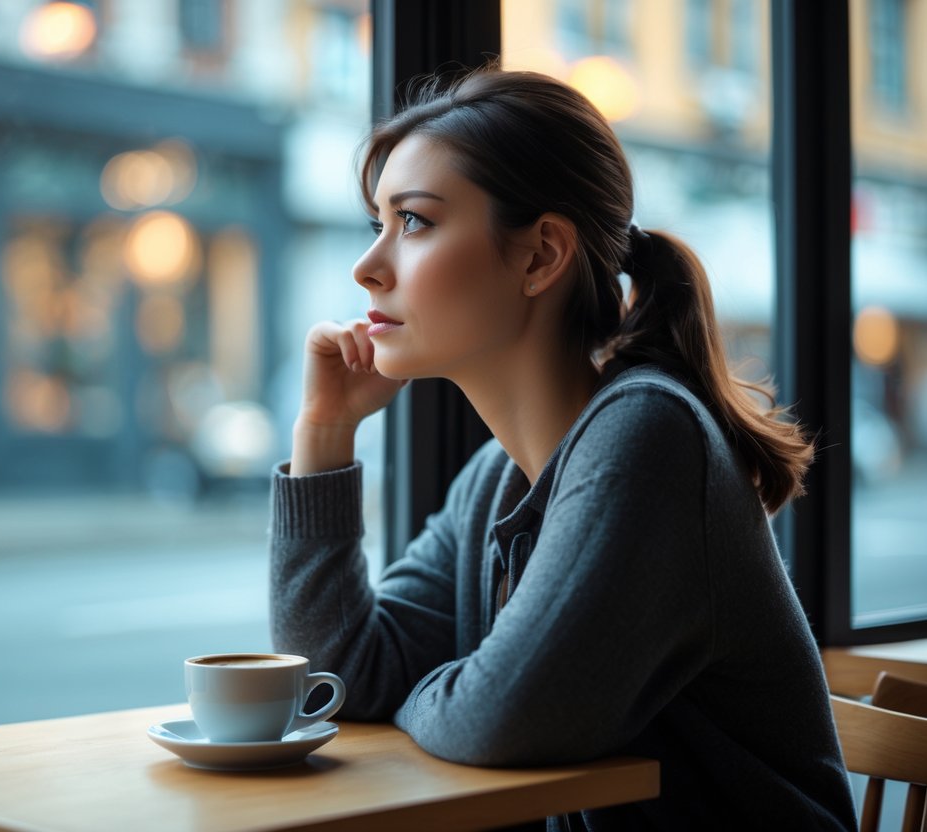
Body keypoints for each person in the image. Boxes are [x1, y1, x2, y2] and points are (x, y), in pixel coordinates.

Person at [269, 67, 857, 831]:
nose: (367, 265)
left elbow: (504, 718)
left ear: (540, 255)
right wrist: (323, 436)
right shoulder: (495, 479)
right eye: (376, 223)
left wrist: (464, 685)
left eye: (412, 222)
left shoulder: (649, 434)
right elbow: (336, 678)